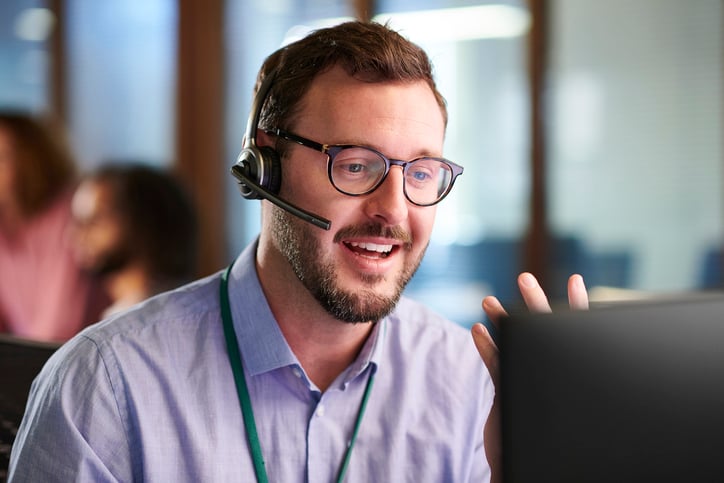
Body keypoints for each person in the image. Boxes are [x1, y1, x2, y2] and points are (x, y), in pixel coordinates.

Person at [8, 21, 588, 482]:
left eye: (421, 172)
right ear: (266, 166)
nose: (394, 209)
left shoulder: (469, 385)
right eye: (356, 166)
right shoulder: (107, 386)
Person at [0, 111, 108, 342]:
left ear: (31, 161)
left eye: (2, 157)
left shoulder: (68, 214)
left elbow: (59, 327)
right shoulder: (4, 223)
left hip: (79, 357)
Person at [69, 162, 199, 318]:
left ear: (143, 225)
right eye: (79, 222)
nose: (75, 235)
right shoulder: (122, 314)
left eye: (95, 221)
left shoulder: (159, 318)